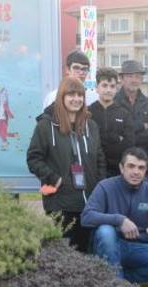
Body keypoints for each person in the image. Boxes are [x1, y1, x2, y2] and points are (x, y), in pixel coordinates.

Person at [27, 77, 106, 253]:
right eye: (71, 94)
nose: (76, 99)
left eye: (80, 95)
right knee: (66, 253)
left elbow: (100, 159)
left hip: (89, 201)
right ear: (62, 97)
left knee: (87, 251)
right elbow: (34, 159)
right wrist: (54, 179)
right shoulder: (45, 126)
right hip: (61, 201)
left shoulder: (91, 126)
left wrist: (100, 186)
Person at [81, 147, 148, 283]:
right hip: (109, 246)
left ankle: (118, 280)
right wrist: (119, 220)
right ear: (121, 168)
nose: (136, 172)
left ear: (145, 171)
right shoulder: (105, 186)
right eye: (131, 166)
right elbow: (86, 217)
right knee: (106, 231)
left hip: (137, 248)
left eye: (141, 168)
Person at [88, 67, 135, 177]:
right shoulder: (88, 113)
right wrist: (117, 138)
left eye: (112, 86)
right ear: (96, 88)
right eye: (104, 85)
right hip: (93, 169)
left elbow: (129, 143)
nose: (108, 90)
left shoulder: (124, 113)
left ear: (116, 89)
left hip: (117, 171)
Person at [115, 60, 148, 158]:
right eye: (130, 76)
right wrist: (142, 126)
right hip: (119, 160)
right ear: (122, 79)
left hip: (144, 161)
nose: (134, 80)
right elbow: (115, 133)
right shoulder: (114, 102)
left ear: (141, 80)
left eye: (137, 76)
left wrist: (126, 138)